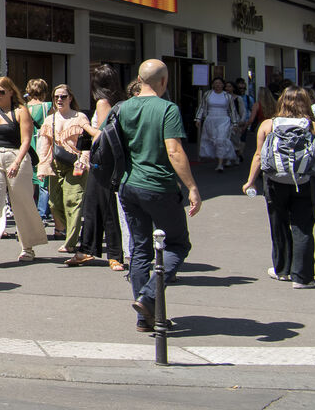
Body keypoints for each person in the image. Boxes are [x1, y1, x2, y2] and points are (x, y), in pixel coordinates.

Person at [115, 59, 201, 333]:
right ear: (163, 81)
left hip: (128, 185)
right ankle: (148, 297)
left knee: (139, 249)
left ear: (139, 79)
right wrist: (192, 186)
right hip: (159, 186)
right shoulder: (167, 108)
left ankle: (145, 318)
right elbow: (174, 150)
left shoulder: (122, 108)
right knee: (177, 244)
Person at [242, 87, 315, 288]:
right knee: (303, 228)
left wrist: (250, 181)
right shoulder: (314, 127)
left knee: (278, 224)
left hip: (275, 181)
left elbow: (259, 155)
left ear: (281, 101)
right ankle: (302, 278)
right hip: (305, 183)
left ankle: (281, 270)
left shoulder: (268, 125)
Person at [0, 77, 46, 267]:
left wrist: (17, 162)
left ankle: (28, 247)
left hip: (15, 156)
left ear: (11, 92)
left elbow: (26, 140)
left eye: (2, 92)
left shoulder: (21, 111)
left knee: (22, 202)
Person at [76, 64, 127, 272]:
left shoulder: (102, 103)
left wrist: (85, 126)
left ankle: (114, 254)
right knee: (93, 205)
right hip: (107, 161)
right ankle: (86, 249)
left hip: (103, 162)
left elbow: (103, 135)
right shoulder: (118, 101)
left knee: (105, 208)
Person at [37, 84, 92, 265]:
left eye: (63, 96)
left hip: (75, 164)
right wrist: (42, 168)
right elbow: (44, 146)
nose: (59, 100)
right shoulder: (50, 120)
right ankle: (71, 230)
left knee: (72, 202)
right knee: (54, 203)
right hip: (56, 165)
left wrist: (83, 160)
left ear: (70, 98)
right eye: (56, 97)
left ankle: (70, 242)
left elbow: (86, 142)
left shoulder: (79, 117)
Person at [24, 78, 55, 235]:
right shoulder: (47, 106)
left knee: (30, 181)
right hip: (42, 143)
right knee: (44, 181)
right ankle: (42, 214)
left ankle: (29, 213)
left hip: (29, 145)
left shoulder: (24, 108)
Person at [197, 76, 240, 170]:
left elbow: (232, 110)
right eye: (216, 83)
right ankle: (224, 157)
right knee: (214, 141)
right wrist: (198, 118)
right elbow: (202, 106)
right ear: (212, 85)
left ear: (223, 85)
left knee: (221, 140)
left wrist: (235, 123)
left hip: (224, 119)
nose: (218, 85)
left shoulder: (227, 96)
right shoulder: (208, 94)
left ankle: (220, 164)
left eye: (220, 83)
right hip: (211, 119)